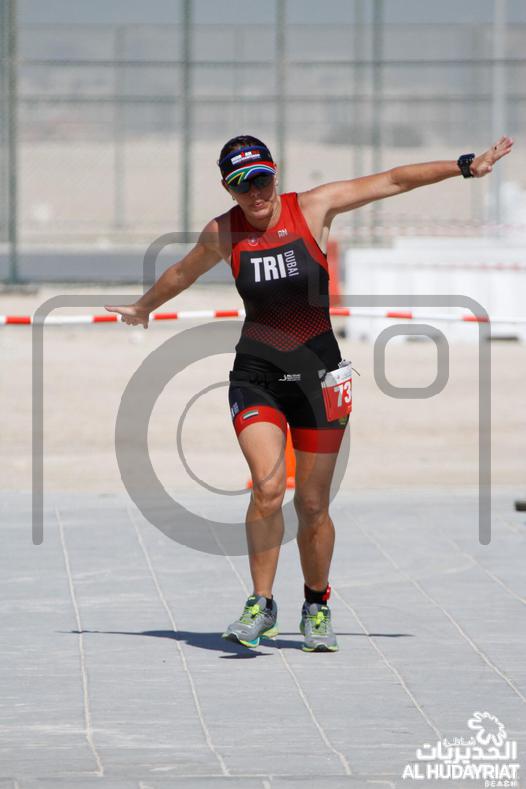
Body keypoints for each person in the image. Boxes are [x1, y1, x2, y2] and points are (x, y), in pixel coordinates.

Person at [106, 133, 513, 652]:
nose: (255, 193)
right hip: (256, 375)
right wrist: (143, 307)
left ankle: (316, 603)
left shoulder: (314, 208)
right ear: (228, 189)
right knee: (267, 487)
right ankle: (260, 604)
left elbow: (392, 181)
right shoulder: (223, 232)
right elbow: (183, 271)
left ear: (274, 174)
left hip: (320, 378)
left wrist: (463, 165)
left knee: (314, 504)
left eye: (261, 180)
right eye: (242, 186)